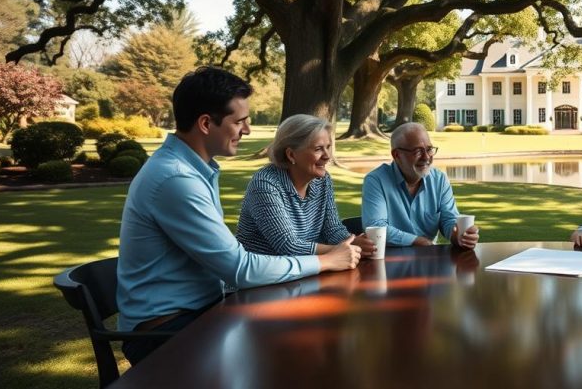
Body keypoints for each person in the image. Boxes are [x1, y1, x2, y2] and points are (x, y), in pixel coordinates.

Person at [117, 67, 361, 365]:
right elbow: (239, 268)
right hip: (167, 332)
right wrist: (326, 261)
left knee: (312, 343)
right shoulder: (176, 179)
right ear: (206, 123)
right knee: (290, 359)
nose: (247, 130)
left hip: (205, 312)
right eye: (240, 121)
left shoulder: (195, 169)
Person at [236, 114, 376, 257]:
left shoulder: (322, 180)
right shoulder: (265, 184)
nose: (327, 156)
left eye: (328, 147)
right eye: (318, 149)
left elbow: (332, 229)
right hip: (265, 273)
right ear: (291, 155)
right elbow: (288, 245)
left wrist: (353, 241)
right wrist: (345, 249)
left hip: (306, 268)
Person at [361, 122, 479, 248]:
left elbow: (448, 220)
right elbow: (376, 227)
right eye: (418, 151)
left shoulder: (439, 179)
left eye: (429, 149)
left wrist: (458, 235)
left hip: (429, 260)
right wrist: (417, 241)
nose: (426, 157)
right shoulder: (376, 180)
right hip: (389, 261)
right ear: (397, 155)